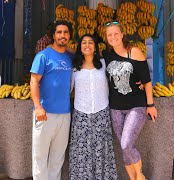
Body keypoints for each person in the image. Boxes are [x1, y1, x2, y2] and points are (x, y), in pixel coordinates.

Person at [103, 20, 158, 180]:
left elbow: (146, 81)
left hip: (136, 106)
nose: (113, 37)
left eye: (115, 33)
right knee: (123, 147)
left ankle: (140, 176)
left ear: (122, 35)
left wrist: (150, 104)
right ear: (107, 38)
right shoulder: (106, 56)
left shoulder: (134, 52)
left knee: (126, 143)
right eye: (109, 35)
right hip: (115, 107)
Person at [69, 34, 118, 179]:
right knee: (81, 151)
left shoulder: (104, 65)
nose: (87, 45)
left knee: (102, 150)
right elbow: (67, 89)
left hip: (101, 113)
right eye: (84, 42)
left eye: (90, 42)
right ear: (80, 47)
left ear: (95, 47)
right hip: (81, 115)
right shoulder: (75, 68)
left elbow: (118, 80)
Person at [30, 20, 73, 180]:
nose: (63, 35)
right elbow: (34, 81)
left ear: (69, 35)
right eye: (59, 32)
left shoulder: (70, 57)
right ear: (53, 35)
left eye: (66, 32)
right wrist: (38, 107)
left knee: (58, 158)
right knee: (40, 157)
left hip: (65, 114)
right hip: (44, 113)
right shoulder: (43, 56)